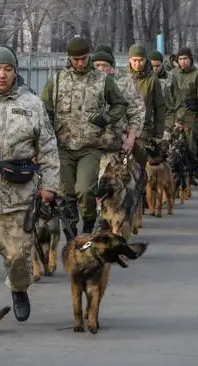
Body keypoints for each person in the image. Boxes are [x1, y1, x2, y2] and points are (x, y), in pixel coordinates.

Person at [0, 45, 60, 321]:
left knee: (18, 256)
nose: (1, 75)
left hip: (17, 192)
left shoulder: (32, 104)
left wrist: (50, 186)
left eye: (8, 69)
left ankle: (19, 289)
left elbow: (48, 147)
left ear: (15, 72)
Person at [41, 38, 128, 235]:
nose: (80, 63)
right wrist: (45, 138)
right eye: (76, 59)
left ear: (89, 56)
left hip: (90, 146)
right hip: (63, 146)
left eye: (83, 58)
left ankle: (88, 222)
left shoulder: (103, 80)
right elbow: (45, 110)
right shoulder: (57, 81)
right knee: (66, 193)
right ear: (69, 58)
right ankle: (71, 230)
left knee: (85, 190)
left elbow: (120, 104)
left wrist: (105, 118)